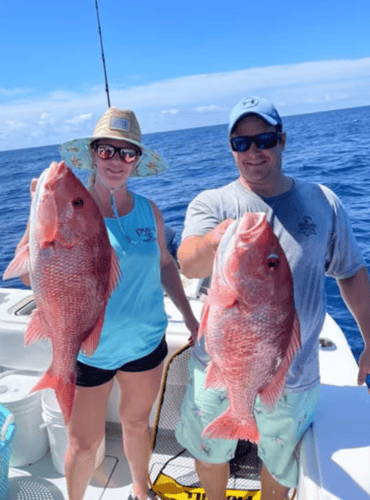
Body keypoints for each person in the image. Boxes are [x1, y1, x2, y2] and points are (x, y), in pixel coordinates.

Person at [175, 96, 370, 500]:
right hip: (220, 365)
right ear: (230, 148)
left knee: (281, 466)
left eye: (263, 139)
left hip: (294, 373)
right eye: (241, 143)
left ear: (282, 140)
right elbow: (189, 264)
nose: (253, 151)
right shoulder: (212, 203)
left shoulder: (323, 201)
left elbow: (350, 272)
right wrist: (214, 240)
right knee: (210, 452)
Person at [18, 107, 199, 500]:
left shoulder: (150, 210)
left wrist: (189, 315)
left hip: (146, 343)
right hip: (88, 350)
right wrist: (38, 217)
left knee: (136, 423)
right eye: (107, 151)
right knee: (83, 445)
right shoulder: (59, 209)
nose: (117, 161)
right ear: (93, 155)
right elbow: (28, 276)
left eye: (127, 152)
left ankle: (140, 490)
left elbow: (166, 266)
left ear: (137, 160)